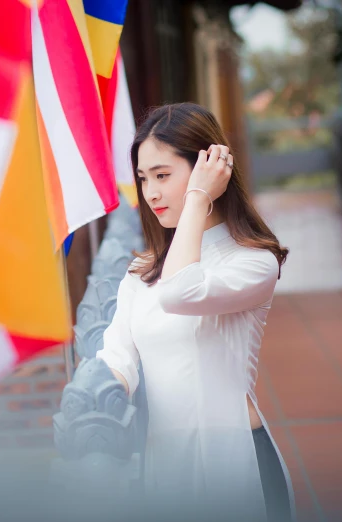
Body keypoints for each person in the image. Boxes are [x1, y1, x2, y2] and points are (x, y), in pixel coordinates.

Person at [95, 102, 294, 522]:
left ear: (209, 166)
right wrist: (98, 397)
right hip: (167, 471)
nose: (151, 193)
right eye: (143, 179)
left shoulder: (254, 262)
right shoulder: (142, 271)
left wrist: (199, 197)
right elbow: (117, 356)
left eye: (163, 176)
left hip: (236, 465)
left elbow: (181, 292)